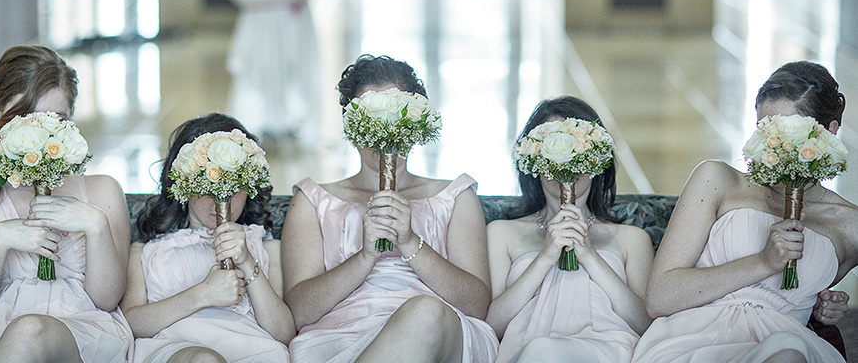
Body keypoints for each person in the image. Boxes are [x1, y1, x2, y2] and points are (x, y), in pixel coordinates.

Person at [633, 61, 858, 363]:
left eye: (786, 134)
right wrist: (763, 262)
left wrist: (828, 306)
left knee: (787, 349)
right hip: (694, 341)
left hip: (784, 347)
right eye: (764, 133)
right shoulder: (717, 180)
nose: (771, 148)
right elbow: (660, 298)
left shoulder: (850, 225)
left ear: (829, 132)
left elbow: (811, 296)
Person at [282, 54, 498, 363]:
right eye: (373, 119)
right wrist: (365, 256)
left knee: (425, 313)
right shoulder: (313, 200)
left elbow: (477, 305)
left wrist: (411, 242)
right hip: (339, 338)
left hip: (442, 334)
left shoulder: (455, 196)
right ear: (353, 126)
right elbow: (300, 313)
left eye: (398, 119)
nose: (386, 134)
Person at [0, 45, 133, 362]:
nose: (41, 134)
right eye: (27, 118)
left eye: (56, 120)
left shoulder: (103, 191)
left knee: (30, 331)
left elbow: (106, 299)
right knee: (24, 332)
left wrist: (95, 226)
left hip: (83, 335)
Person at [486, 96, 654, 363]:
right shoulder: (502, 233)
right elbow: (491, 325)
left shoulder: (632, 239)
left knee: (544, 351)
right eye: (552, 154)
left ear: (596, 163)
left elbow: (646, 324)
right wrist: (545, 257)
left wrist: (588, 255)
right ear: (534, 164)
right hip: (524, 351)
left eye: (577, 153)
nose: (565, 165)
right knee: (541, 350)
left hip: (607, 350)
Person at [121, 113, 294, 363]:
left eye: (233, 187)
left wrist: (246, 261)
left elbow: (283, 333)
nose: (220, 201)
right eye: (207, 186)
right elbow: (132, 325)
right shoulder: (145, 250)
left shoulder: (267, 247)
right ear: (184, 184)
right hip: (177, 349)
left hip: (254, 349)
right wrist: (204, 294)